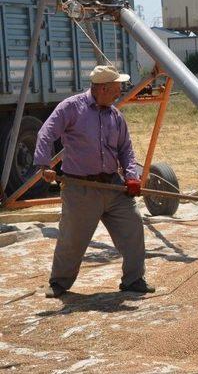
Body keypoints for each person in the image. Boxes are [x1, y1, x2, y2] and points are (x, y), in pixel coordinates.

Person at [34, 65, 155, 298]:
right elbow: (45, 133)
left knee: (133, 226)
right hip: (81, 189)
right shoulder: (71, 108)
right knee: (72, 239)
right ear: (101, 88)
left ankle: (133, 279)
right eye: (116, 89)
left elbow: (126, 150)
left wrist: (131, 177)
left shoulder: (115, 116)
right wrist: (44, 165)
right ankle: (59, 282)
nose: (119, 92)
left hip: (112, 186)